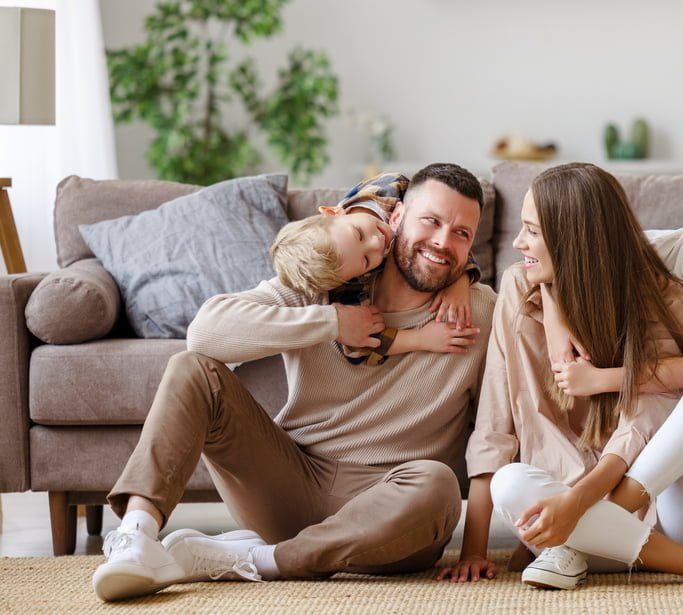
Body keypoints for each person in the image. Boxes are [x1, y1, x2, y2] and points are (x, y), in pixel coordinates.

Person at [92, 163, 496, 602]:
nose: (443, 242)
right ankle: (136, 538)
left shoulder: (480, 312)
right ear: (396, 218)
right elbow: (205, 334)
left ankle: (258, 560)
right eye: (431, 221)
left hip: (391, 511)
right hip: (292, 481)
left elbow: (494, 431)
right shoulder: (329, 275)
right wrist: (332, 322)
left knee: (437, 484)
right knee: (192, 369)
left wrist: (475, 550)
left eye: (462, 233)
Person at [438, 162, 683, 590]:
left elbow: (666, 394)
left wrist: (582, 501)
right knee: (509, 483)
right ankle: (682, 555)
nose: (517, 242)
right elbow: (493, 424)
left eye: (533, 231)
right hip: (572, 510)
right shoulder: (530, 284)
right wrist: (473, 551)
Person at [270, 172, 481, 364]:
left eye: (359, 234)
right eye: (366, 260)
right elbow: (359, 346)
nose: (377, 243)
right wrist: (420, 339)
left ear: (333, 212)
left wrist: (460, 281)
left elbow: (446, 222)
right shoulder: (350, 281)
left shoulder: (389, 188)